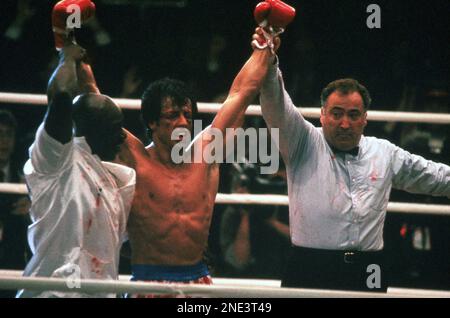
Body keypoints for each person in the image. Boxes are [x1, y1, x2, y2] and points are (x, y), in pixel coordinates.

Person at [252, 28, 450, 292]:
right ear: (322, 115)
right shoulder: (302, 141)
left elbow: (434, 176)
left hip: (369, 268)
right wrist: (269, 57)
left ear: (365, 118)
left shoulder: (384, 152)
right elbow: (275, 103)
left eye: (354, 114)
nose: (345, 123)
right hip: (311, 264)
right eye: (337, 113)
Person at [17, 2, 136, 297]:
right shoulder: (56, 161)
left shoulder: (119, 178)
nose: (121, 138)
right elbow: (61, 98)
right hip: (51, 292)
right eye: (114, 130)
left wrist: (70, 41)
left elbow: (91, 97)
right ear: (91, 131)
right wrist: (64, 52)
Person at [0, 110, 31, 298]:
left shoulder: (23, 170)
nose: (4, 140)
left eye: (8, 134)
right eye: (0, 134)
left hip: (14, 254)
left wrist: (30, 205)